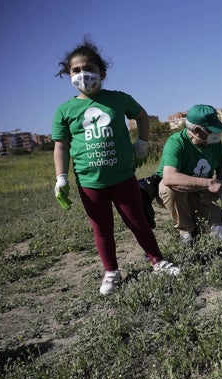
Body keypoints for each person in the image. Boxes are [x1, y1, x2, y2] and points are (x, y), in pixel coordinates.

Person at [52, 37, 180, 296]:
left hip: (122, 176)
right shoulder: (64, 110)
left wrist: (142, 141)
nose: (83, 74)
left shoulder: (118, 99)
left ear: (102, 72)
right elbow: (61, 147)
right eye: (76, 70)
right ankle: (111, 271)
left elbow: (142, 116)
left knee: (138, 222)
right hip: (89, 182)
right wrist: (61, 177)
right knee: (102, 230)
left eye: (88, 68)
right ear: (68, 74)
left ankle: (157, 261)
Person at [156, 104, 222, 244]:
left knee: (216, 219)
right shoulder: (176, 142)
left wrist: (217, 187)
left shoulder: (214, 142)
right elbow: (169, 177)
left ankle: (193, 217)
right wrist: (209, 183)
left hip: (198, 191)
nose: (217, 135)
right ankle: (186, 231)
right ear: (197, 130)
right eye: (211, 131)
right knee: (169, 188)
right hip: (177, 192)